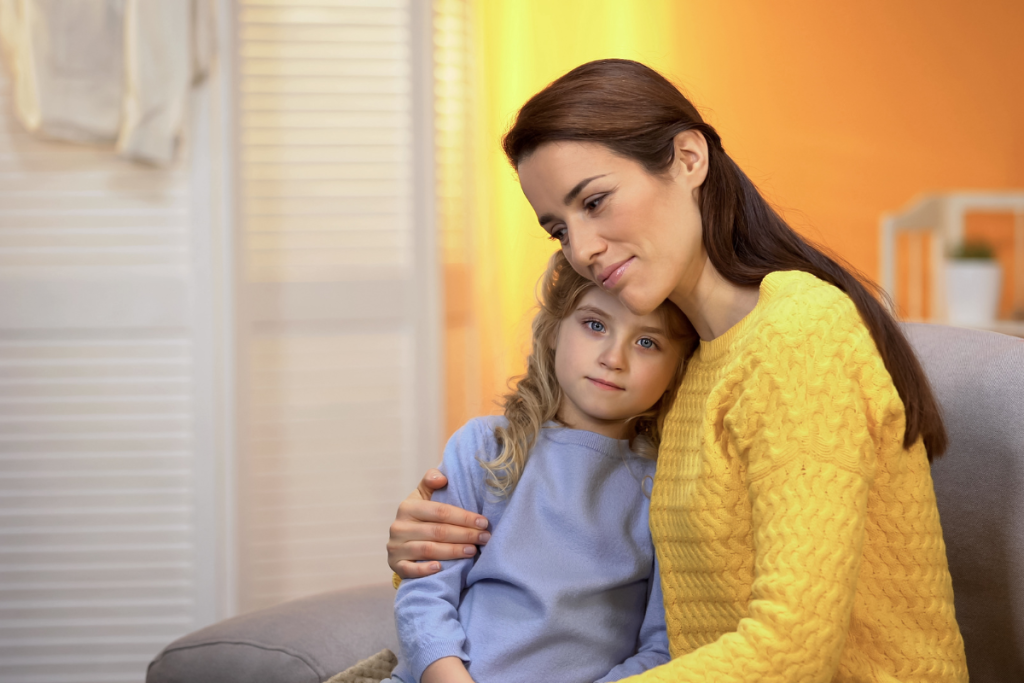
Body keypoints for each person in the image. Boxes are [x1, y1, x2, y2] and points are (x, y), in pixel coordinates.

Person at [386, 59, 969, 681]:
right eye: (560, 229)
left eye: (595, 200)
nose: (581, 250)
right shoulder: (686, 372)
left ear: (689, 159)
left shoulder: (800, 334)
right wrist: (422, 550)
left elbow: (792, 649)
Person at [387, 250, 696, 683]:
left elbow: (663, 646)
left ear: (678, 369)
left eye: (647, 342)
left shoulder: (668, 489)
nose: (614, 357)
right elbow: (425, 593)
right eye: (595, 325)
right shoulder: (484, 446)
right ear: (553, 331)